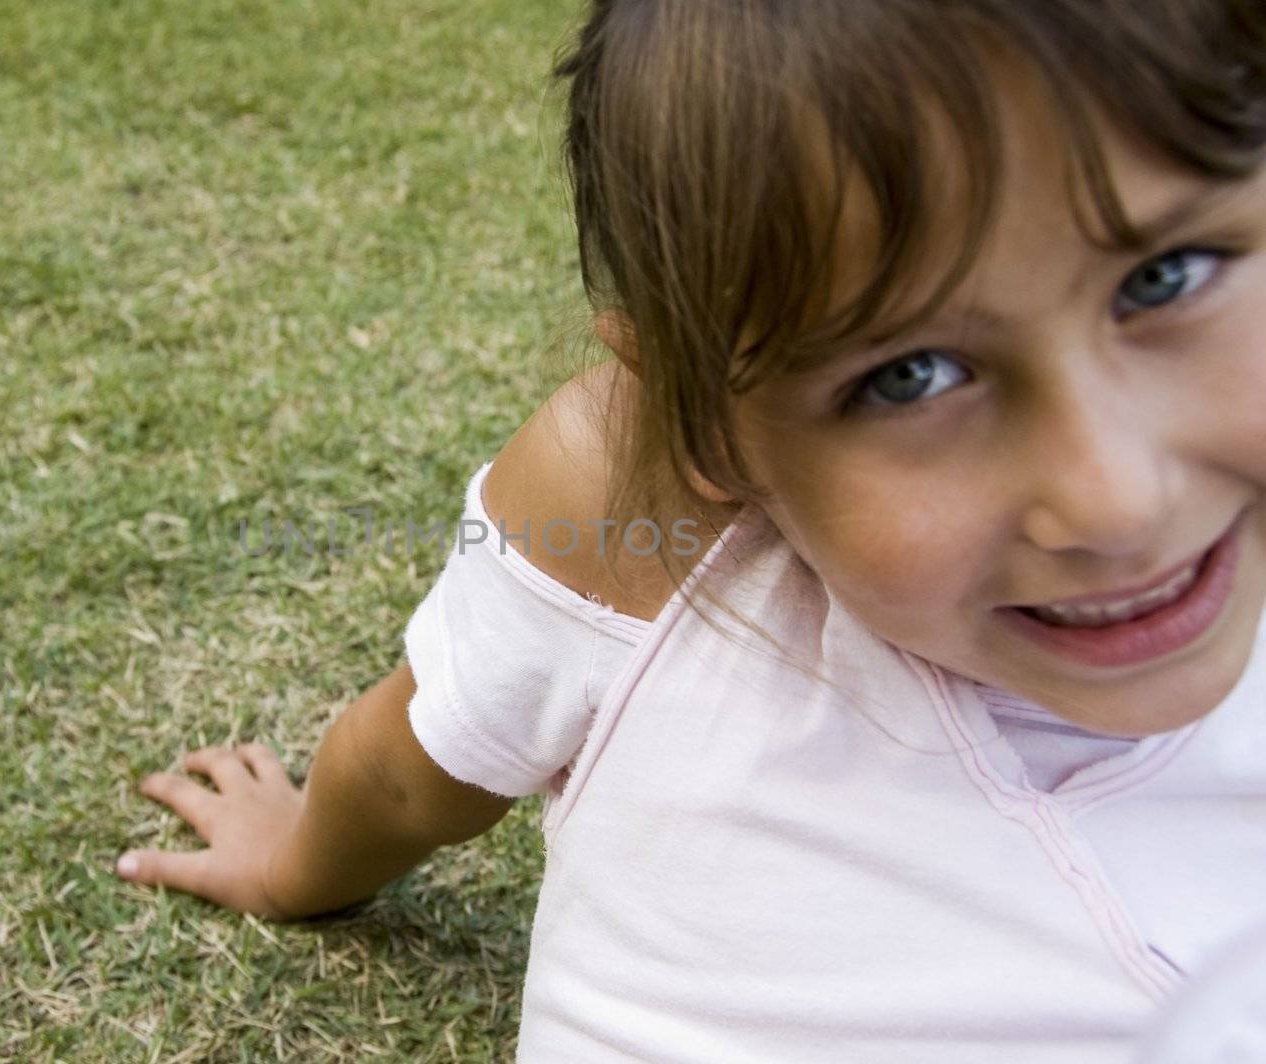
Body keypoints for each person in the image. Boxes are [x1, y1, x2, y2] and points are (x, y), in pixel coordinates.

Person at [116, 1, 1266, 1059]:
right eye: (911, 375)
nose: (1119, 499)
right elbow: (419, 768)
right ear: (703, 423)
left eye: (1167, 276)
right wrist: (295, 858)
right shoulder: (637, 504)